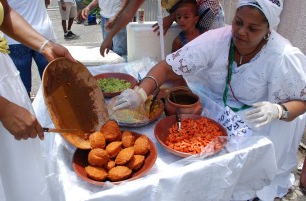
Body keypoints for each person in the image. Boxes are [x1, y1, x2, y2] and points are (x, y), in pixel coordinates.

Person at [112, 0, 306, 200]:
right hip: (213, 106)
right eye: (238, 22)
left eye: (253, 28)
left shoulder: (282, 56)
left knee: (240, 177)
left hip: (259, 122)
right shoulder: (218, 39)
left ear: (268, 29)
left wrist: (278, 110)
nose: (241, 32)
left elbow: (302, 101)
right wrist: (141, 92)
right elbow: (167, 67)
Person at [0, 0, 75, 200]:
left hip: (1, 79)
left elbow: (4, 11)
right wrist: (3, 109)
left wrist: (44, 44)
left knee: (20, 176)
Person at [99, 0, 225, 57]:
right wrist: (109, 37)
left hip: (208, 12)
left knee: (209, 55)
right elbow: (128, 12)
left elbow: (191, 4)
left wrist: (171, 18)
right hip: (186, 15)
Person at [5, 0, 57, 97]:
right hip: (42, 34)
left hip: (16, 36)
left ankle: (28, 109)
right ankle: (52, 110)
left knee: (22, 88)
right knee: (52, 84)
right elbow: (47, 2)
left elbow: (2, 10)